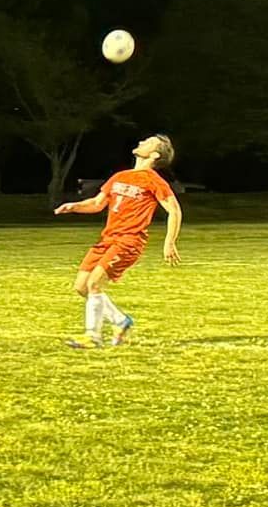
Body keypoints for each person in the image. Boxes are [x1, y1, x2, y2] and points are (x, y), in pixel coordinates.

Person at [54, 134, 182, 349]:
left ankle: (92, 337)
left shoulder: (154, 181)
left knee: (94, 284)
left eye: (148, 142)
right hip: (108, 239)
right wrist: (75, 206)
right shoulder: (120, 176)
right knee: (81, 287)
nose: (141, 142)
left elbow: (174, 211)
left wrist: (169, 242)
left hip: (129, 241)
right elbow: (96, 204)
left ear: (154, 154)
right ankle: (121, 321)